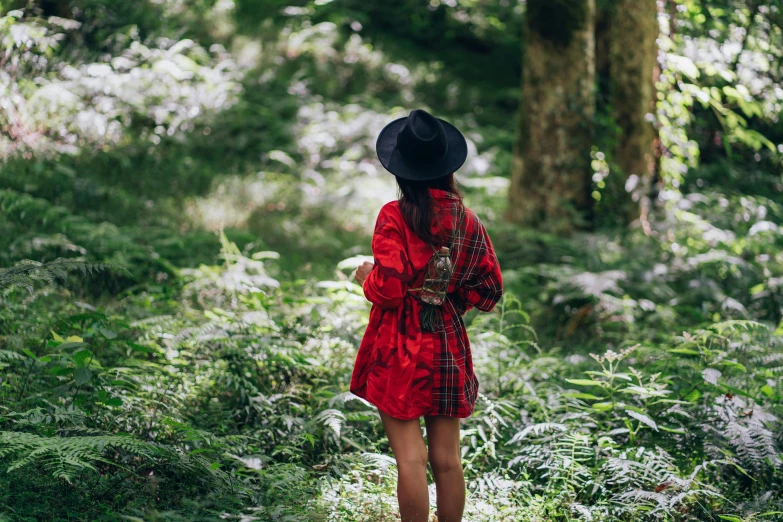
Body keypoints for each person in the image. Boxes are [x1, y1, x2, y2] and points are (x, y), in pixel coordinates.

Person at [350, 109, 503, 522]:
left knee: (411, 459)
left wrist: (368, 278)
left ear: (402, 171)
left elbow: (390, 288)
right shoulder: (468, 221)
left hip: (399, 344)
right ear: (445, 167)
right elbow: (489, 291)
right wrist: (444, 296)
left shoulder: (394, 216)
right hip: (447, 340)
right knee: (447, 460)